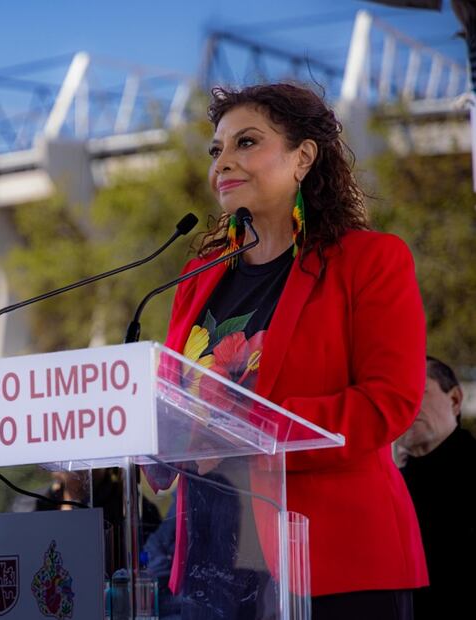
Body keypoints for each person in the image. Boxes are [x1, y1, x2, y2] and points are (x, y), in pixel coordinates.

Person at [160, 83, 427, 619]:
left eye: (246, 142)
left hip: (335, 563)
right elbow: (173, 402)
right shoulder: (197, 277)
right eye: (216, 149)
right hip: (212, 564)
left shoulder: (368, 261)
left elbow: (388, 403)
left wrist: (249, 431)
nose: (222, 162)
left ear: (303, 157)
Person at [397, 356, 476, 619]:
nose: (405, 405)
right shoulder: (394, 485)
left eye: (417, 392)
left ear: (454, 400)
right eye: (396, 396)